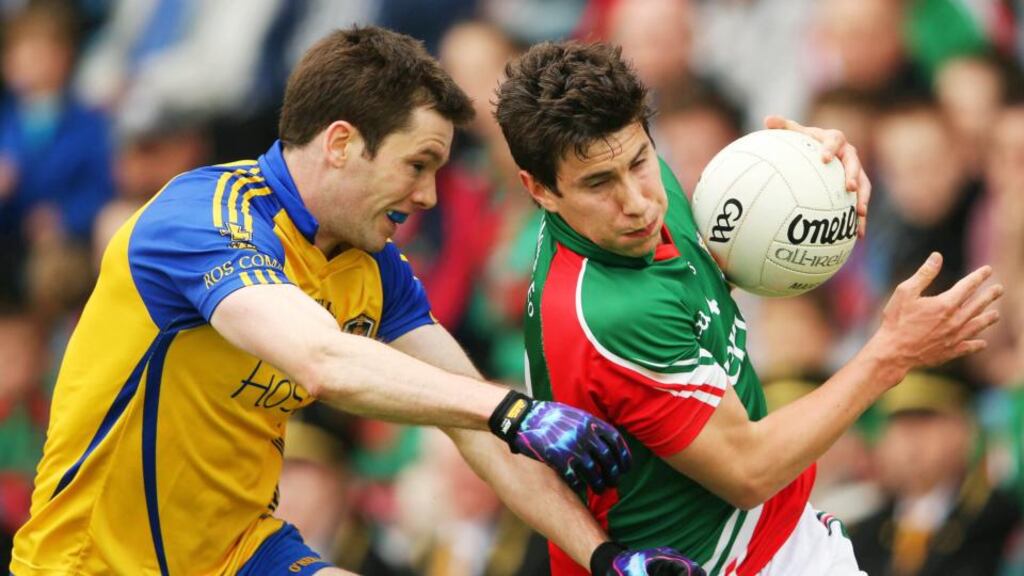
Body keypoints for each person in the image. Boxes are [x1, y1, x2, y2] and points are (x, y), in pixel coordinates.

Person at [10, 27, 703, 576]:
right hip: (89, 563)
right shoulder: (199, 220)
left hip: (243, 554)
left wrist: (604, 558)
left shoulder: (372, 266)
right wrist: (511, 409)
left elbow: (475, 425)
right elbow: (321, 361)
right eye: (417, 164)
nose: (428, 196)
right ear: (341, 143)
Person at [495, 40, 1003, 575]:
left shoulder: (633, 185)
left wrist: (811, 179)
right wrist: (891, 353)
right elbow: (750, 471)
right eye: (599, 184)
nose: (638, 201)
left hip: (773, 539)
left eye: (641, 160)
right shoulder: (606, 315)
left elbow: (703, 283)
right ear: (539, 189)